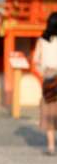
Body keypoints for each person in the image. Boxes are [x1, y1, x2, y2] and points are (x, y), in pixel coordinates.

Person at [34, 12, 57, 156]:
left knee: (49, 110)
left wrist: (42, 72)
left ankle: (51, 146)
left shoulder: (42, 41)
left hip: (49, 75)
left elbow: (36, 60)